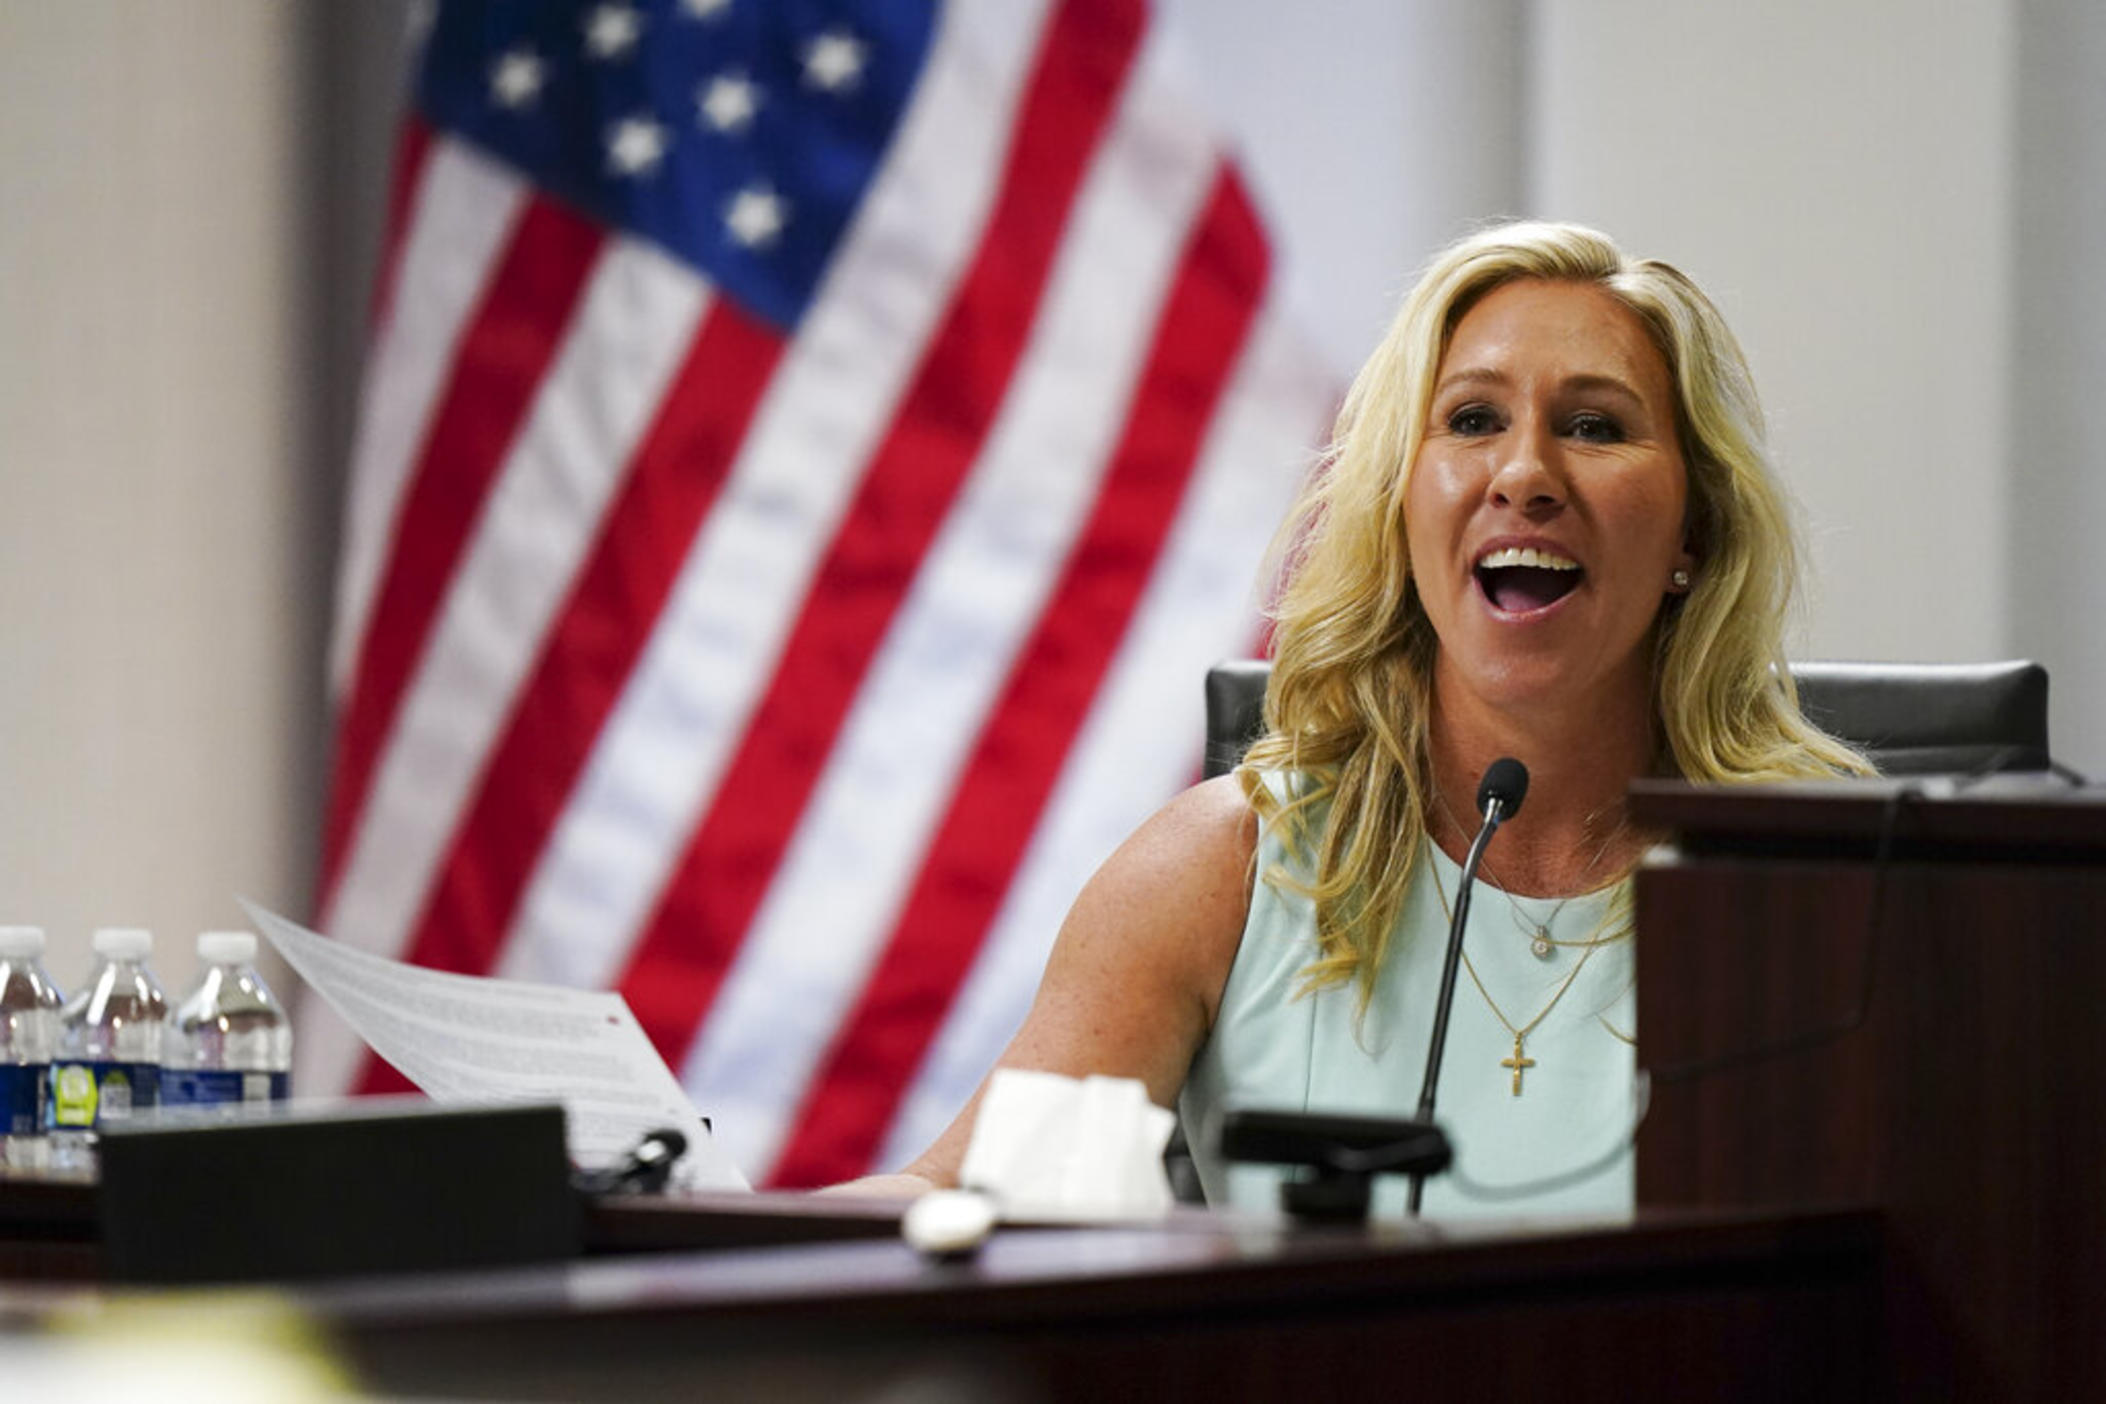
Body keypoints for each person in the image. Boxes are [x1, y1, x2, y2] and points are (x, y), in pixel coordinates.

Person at [836, 220, 1869, 1214]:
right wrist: (691, 1237)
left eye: (1594, 426)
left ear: (1695, 526)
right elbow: (962, 1201)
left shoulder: (1831, 887)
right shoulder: (1226, 869)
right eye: (1471, 420)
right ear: (1400, 503)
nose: (1523, 475)